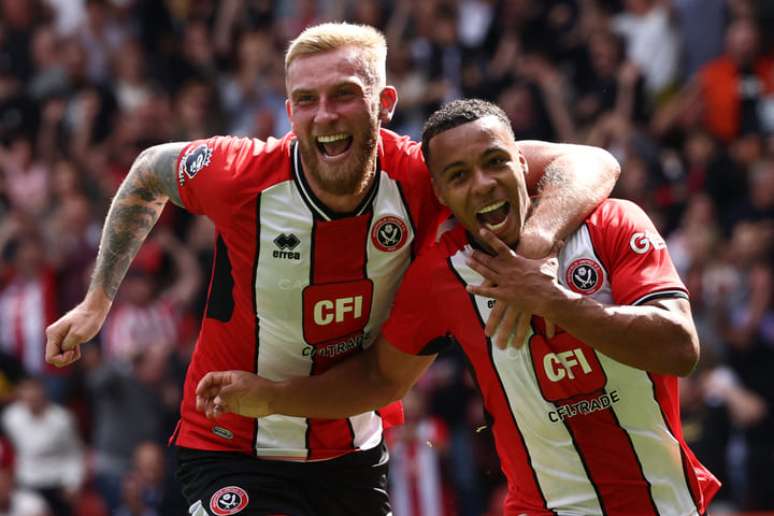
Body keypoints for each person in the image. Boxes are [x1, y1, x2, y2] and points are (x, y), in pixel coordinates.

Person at [44, 23, 619, 516]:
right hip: (232, 447)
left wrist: (536, 247)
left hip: (353, 451)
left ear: (384, 102)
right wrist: (98, 299)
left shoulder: (422, 175)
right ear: (288, 108)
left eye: (344, 94)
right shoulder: (241, 175)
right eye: (307, 100)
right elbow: (150, 171)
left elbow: (591, 160)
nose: (325, 116)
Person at [197, 99, 721, 514]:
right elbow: (382, 379)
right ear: (443, 196)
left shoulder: (611, 225)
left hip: (666, 503)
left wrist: (552, 298)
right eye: (459, 176)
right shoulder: (441, 275)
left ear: (522, 162)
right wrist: (275, 397)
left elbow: (679, 347)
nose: (484, 184)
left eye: (495, 162)